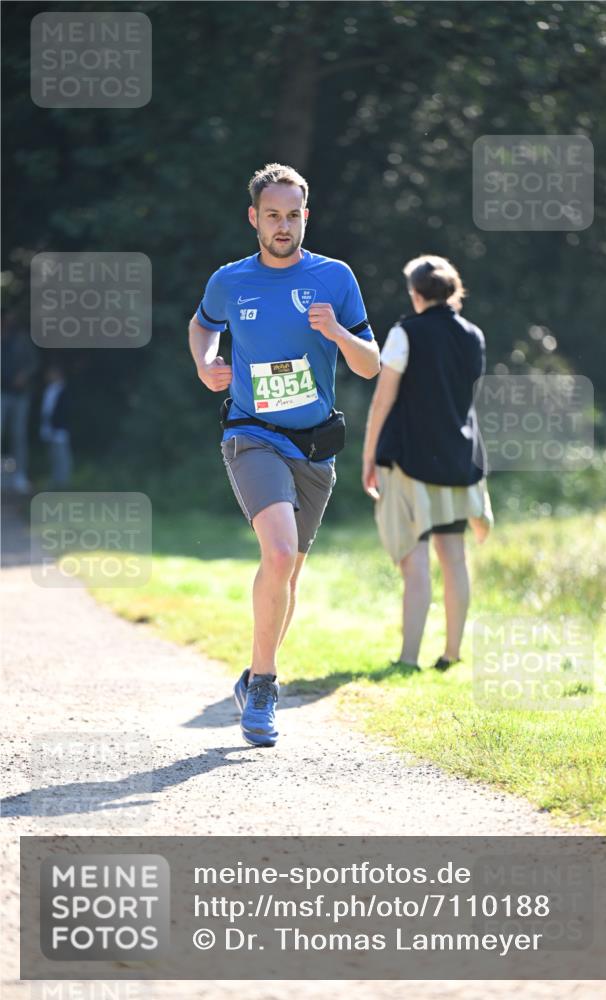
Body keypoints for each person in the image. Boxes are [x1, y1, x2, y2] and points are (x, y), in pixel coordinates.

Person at [188, 163, 379, 748]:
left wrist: (339, 335)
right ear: (254, 218)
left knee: (288, 570)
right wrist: (206, 364)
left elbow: (370, 363)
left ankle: (253, 674)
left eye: (293, 214)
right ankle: (267, 687)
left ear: (305, 216)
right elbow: (201, 327)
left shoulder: (334, 278)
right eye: (272, 215)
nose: (283, 224)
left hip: (314, 446)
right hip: (252, 433)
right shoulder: (230, 281)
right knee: (277, 551)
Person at [362, 255, 493, 670]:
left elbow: (384, 400)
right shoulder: (473, 335)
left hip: (409, 460)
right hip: (458, 458)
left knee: (414, 559)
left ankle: (407, 658)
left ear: (415, 293)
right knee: (454, 557)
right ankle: (452, 654)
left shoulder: (405, 333)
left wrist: (368, 456)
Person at [1, 309, 39, 494]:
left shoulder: (22, 338)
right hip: (2, 392)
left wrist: (23, 375)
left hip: (20, 394)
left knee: (18, 434)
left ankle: (20, 476)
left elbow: (33, 362)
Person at [39, 361, 73, 488]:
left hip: (59, 429)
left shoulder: (63, 390)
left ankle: (64, 482)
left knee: (62, 457)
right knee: (53, 457)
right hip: (49, 428)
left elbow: (63, 411)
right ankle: (55, 480)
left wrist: (56, 423)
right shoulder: (49, 390)